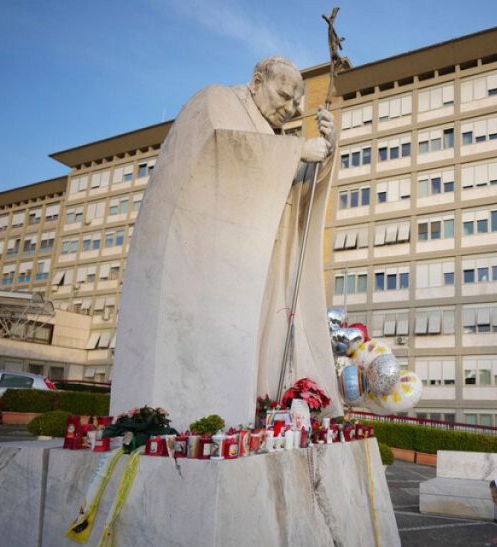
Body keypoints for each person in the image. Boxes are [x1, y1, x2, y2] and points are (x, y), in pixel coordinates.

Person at [111, 56, 342, 429]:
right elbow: (219, 149)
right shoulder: (216, 102)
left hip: (261, 256)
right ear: (256, 81)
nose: (289, 109)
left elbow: (294, 189)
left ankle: (264, 409)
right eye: (282, 97)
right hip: (210, 263)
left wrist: (327, 153)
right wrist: (296, 151)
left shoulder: (275, 137)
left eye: (295, 105)